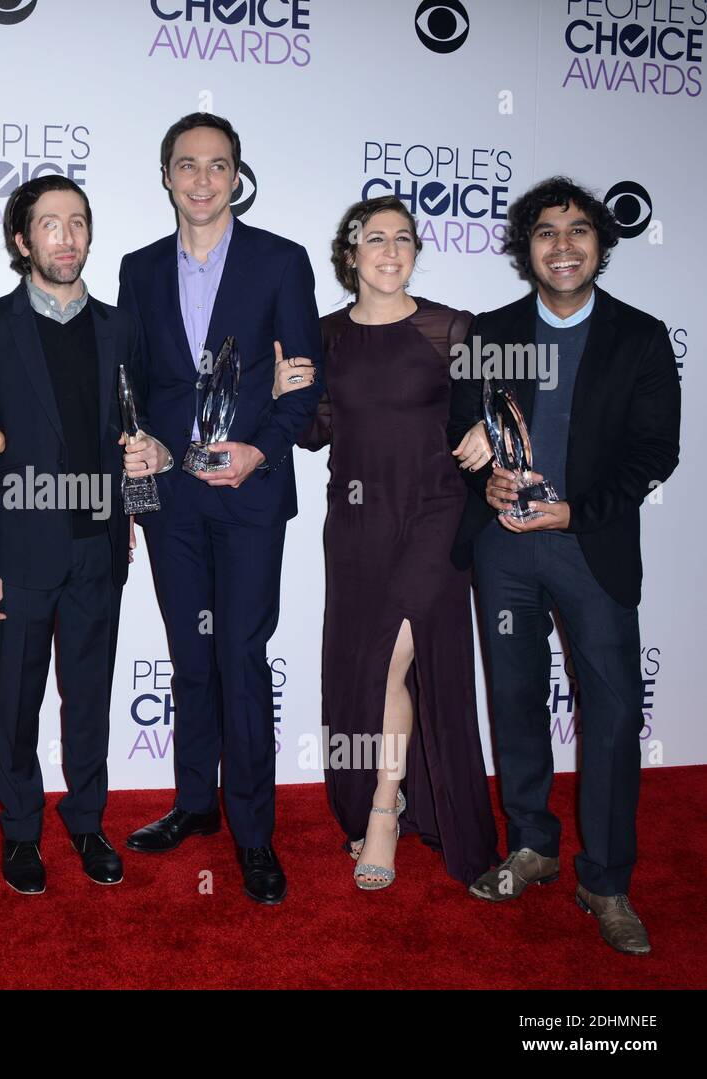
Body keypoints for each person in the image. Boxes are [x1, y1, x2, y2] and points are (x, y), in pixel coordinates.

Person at [448, 176, 680, 954]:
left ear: (600, 245)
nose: (563, 245)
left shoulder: (640, 337)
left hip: (591, 545)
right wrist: (487, 474)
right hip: (505, 544)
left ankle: (606, 879)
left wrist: (577, 510)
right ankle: (533, 845)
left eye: (578, 230)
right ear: (527, 248)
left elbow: (657, 451)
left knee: (612, 715)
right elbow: (461, 426)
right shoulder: (491, 330)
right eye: (546, 232)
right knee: (513, 696)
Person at [116, 113, 322, 905]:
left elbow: (303, 383)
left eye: (218, 165)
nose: (202, 179)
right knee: (189, 654)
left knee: (239, 654)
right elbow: (133, 391)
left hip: (249, 496)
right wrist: (147, 469)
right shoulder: (137, 270)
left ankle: (254, 833)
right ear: (166, 175)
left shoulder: (280, 261)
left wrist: (259, 451)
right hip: (172, 498)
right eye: (187, 165)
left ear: (237, 175)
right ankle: (196, 802)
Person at [284, 195, 499, 889]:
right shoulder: (325, 335)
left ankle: (383, 808)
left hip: (436, 514)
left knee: (386, 661)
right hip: (355, 524)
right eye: (374, 238)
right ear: (350, 254)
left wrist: (490, 427)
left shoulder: (451, 329)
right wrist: (287, 390)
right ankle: (394, 796)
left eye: (403, 238)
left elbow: (498, 406)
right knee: (373, 668)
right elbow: (314, 431)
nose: (390, 250)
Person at [0, 176, 139, 895]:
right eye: (50, 225)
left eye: (78, 222)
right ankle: (21, 830)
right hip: (19, 552)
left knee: (89, 694)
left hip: (99, 544)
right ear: (23, 241)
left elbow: (132, 426)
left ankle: (88, 821)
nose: (67, 237)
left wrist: (144, 461)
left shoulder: (121, 327)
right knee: (19, 698)